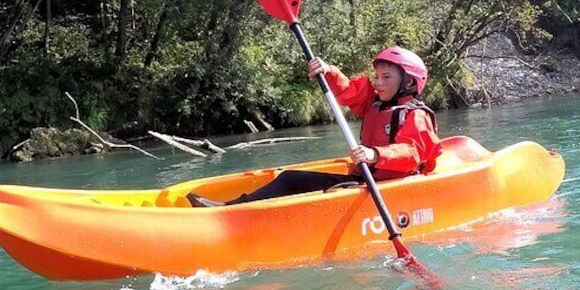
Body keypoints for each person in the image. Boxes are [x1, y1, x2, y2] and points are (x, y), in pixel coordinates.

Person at [187, 46, 442, 207]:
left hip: (394, 187)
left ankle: (231, 211)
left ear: (408, 82)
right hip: (364, 179)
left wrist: (376, 154)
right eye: (377, 76)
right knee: (291, 178)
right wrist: (328, 71)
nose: (378, 83)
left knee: (292, 180)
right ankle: (235, 207)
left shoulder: (416, 116)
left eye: (387, 77)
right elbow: (348, 92)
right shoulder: (374, 103)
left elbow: (412, 153)